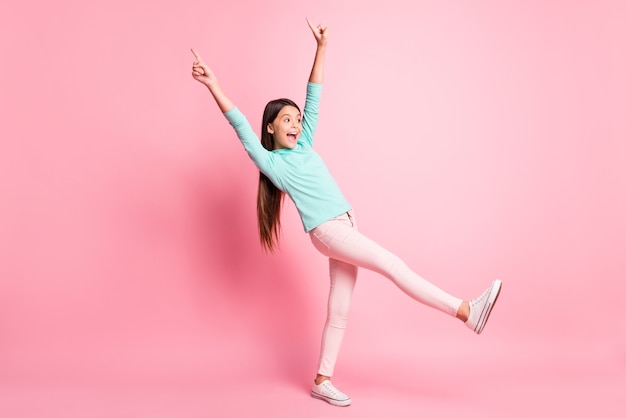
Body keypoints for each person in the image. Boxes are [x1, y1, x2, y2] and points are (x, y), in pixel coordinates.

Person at [191, 18, 502, 407]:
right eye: (286, 119)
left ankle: (323, 379)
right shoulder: (273, 163)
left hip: (344, 225)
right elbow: (238, 123)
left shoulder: (303, 146)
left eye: (296, 118)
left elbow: (314, 95)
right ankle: (466, 311)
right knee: (394, 265)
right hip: (328, 231)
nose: (295, 122)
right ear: (269, 130)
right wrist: (213, 83)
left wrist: (321, 47)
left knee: (339, 311)